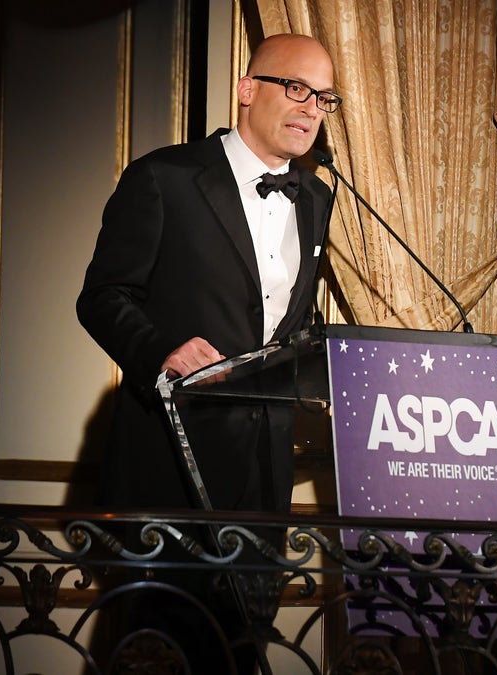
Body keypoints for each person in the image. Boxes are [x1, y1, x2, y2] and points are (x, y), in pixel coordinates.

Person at [76, 33, 340, 671]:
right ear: (248, 90)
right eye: (296, 88)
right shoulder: (164, 178)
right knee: (160, 652)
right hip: (170, 462)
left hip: (264, 473)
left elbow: (282, 329)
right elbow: (102, 297)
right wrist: (159, 349)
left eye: (324, 98)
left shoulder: (318, 201)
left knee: (241, 652)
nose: (310, 108)